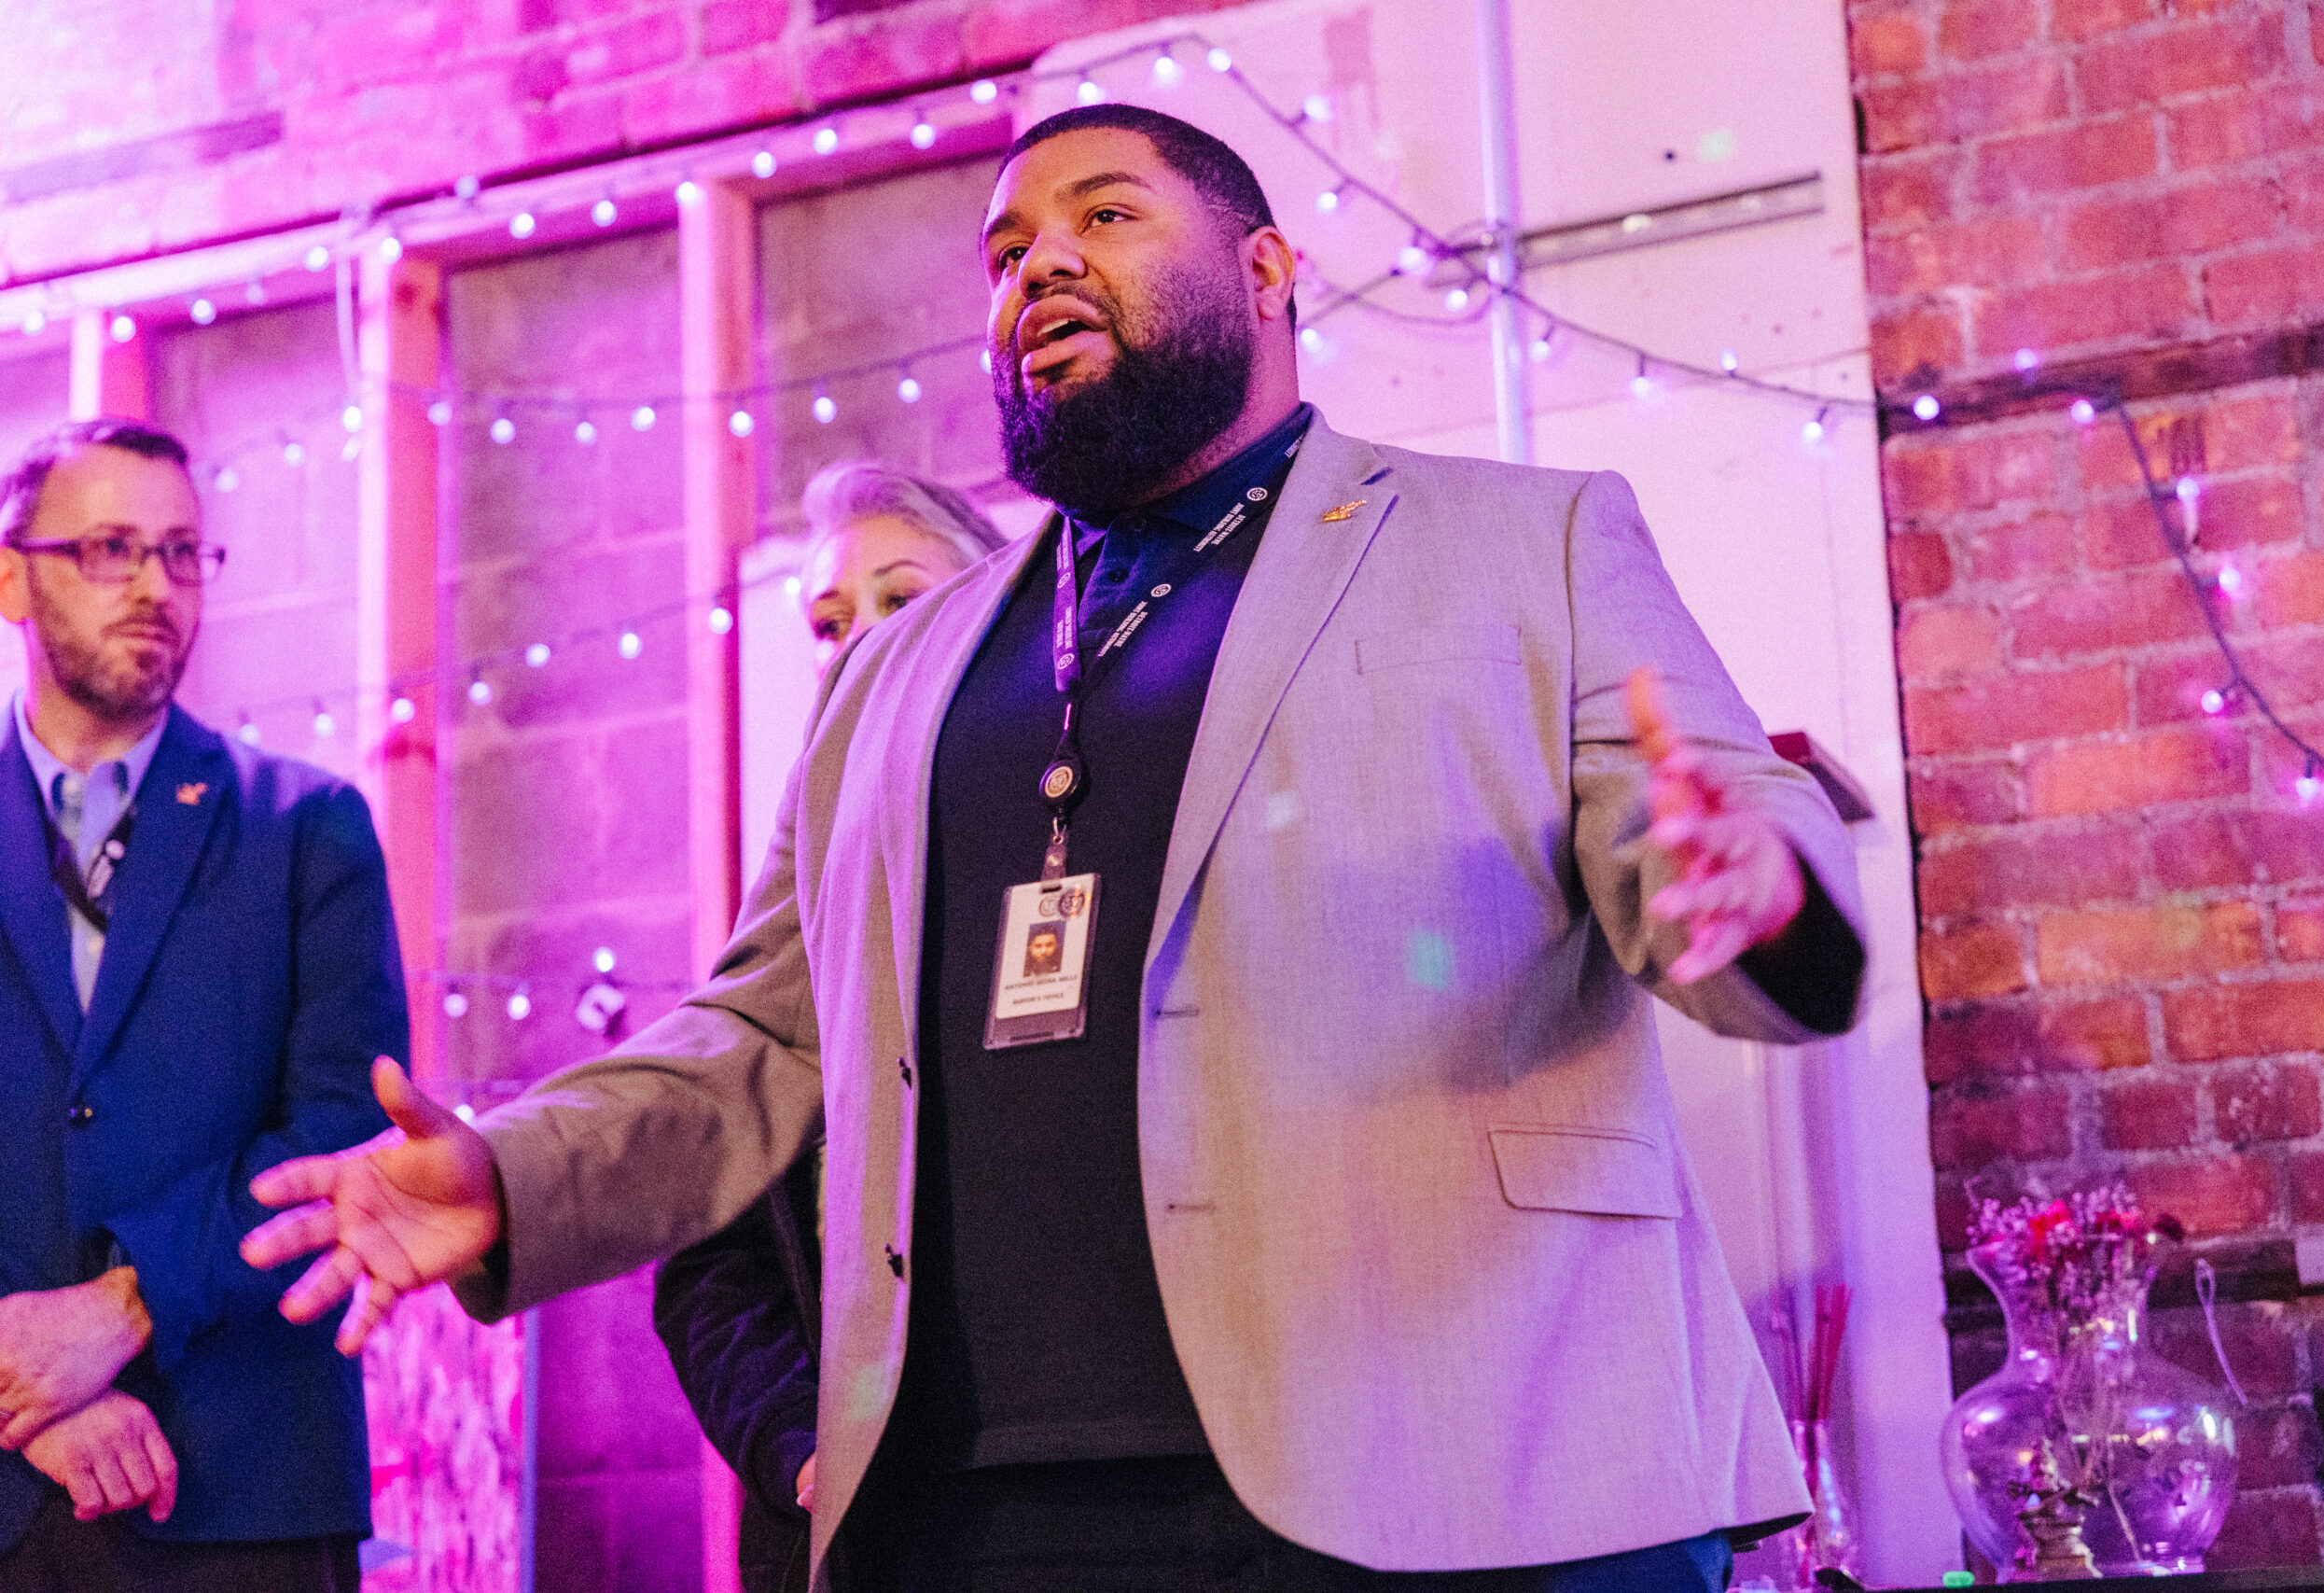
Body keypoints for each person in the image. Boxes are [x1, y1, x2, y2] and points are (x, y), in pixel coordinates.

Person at [244, 105, 1869, 1593]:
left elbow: (1731, 835)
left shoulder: (1525, 537)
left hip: (1465, 1463)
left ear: (1266, 272)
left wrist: (1761, 890)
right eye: (1009, 250)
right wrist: (515, 1172)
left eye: (1105, 215)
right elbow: (763, 1036)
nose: (1042, 266)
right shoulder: (900, 666)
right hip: (983, 1505)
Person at [0, 417, 405, 1591]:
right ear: (13, 578)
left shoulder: (307, 827)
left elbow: (345, 1133)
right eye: (110, 549)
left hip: (244, 1491)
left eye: (181, 553)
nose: (155, 586)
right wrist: (23, 1391)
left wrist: (123, 1309)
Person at [651, 460, 1005, 1593]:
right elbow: (711, 1265)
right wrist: (798, 1442)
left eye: (902, 598)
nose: (861, 640)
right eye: (829, 620)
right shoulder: (789, 921)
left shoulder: (1065, 860)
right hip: (851, 1524)